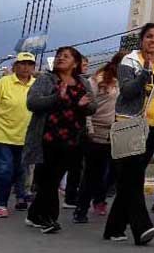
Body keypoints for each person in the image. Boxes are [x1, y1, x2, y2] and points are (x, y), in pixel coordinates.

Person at [104, 23, 154, 245]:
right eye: (149, 36)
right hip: (128, 123)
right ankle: (142, 228)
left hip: (153, 127)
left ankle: (114, 228)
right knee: (132, 179)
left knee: (131, 178)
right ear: (142, 40)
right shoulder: (129, 61)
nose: (153, 40)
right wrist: (145, 73)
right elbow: (127, 91)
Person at [23, 46, 98, 234]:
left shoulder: (82, 82)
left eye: (65, 56)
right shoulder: (46, 79)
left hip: (73, 139)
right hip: (48, 137)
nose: (60, 59)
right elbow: (32, 103)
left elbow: (93, 106)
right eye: (58, 56)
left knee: (53, 179)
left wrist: (84, 106)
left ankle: (34, 214)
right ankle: (49, 218)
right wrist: (56, 97)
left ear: (75, 62)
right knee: (49, 178)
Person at [73, 51, 125, 224]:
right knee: (92, 172)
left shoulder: (127, 82)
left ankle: (100, 199)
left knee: (114, 172)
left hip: (118, 132)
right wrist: (89, 127)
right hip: (97, 131)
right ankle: (81, 208)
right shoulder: (98, 79)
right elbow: (87, 103)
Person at [0, 52, 37, 217]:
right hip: (1, 135)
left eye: (29, 64)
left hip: (25, 137)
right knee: (4, 170)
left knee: (19, 171)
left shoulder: (37, 85)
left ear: (34, 67)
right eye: (22, 64)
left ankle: (17, 197)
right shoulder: (4, 82)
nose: (26, 67)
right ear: (15, 66)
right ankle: (0, 205)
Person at [62, 56, 91, 209]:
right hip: (61, 131)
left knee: (76, 166)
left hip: (79, 131)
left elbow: (92, 107)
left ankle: (70, 196)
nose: (85, 67)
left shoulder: (85, 83)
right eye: (83, 64)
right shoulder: (63, 81)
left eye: (87, 65)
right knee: (59, 166)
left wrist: (87, 103)